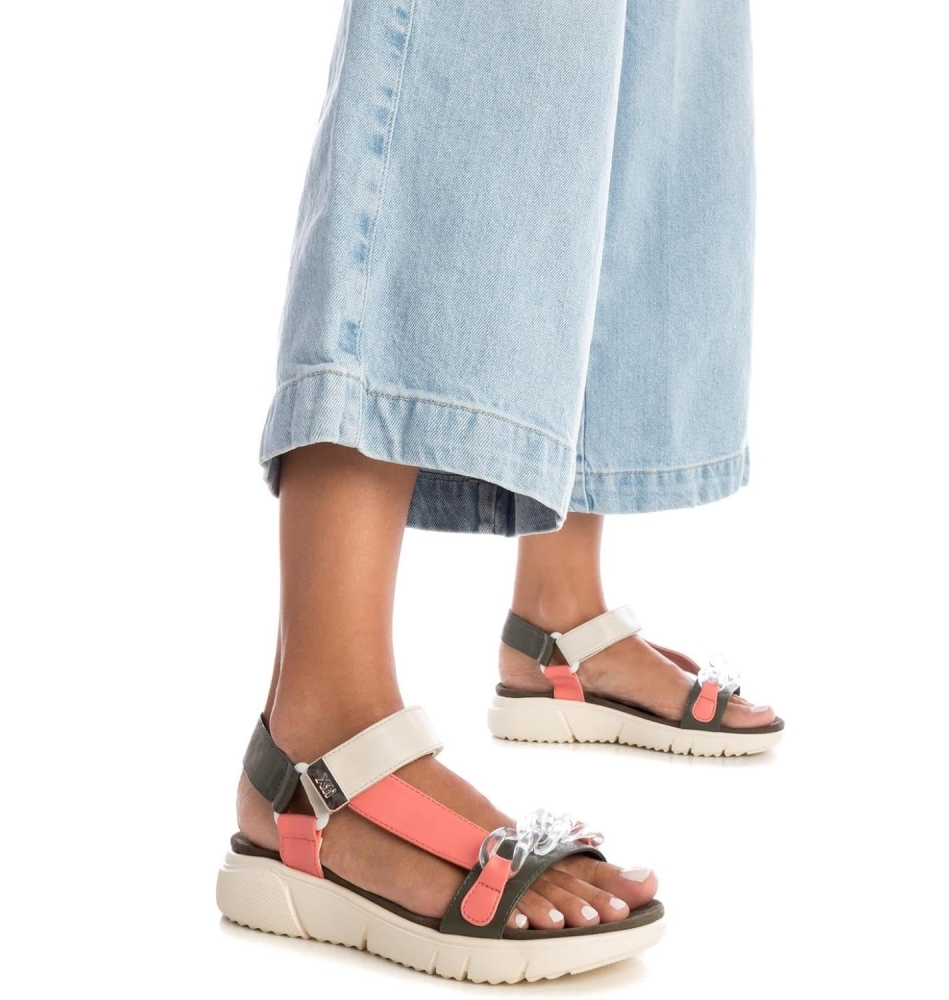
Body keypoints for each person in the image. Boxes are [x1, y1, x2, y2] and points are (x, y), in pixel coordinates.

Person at [216, 0, 782, 982]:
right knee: (491, 38)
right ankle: (322, 731)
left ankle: (561, 610)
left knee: (653, 53)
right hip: (316, 764)